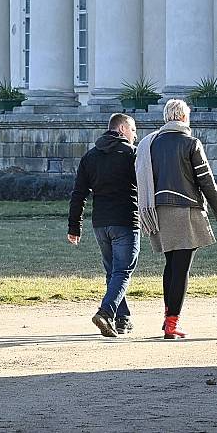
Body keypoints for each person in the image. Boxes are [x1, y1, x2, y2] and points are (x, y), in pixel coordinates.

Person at [136, 99, 217, 339]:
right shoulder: (191, 143)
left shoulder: (149, 143)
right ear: (182, 117)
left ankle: (167, 319)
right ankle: (172, 324)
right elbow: (206, 181)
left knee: (171, 266)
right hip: (184, 210)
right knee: (181, 270)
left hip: (157, 210)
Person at [68, 113, 139, 338]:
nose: (135, 136)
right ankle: (106, 312)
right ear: (121, 130)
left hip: (100, 223)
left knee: (113, 272)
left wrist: (74, 227)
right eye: (133, 130)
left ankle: (123, 319)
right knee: (123, 271)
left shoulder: (90, 156)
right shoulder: (131, 155)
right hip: (126, 220)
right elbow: (145, 186)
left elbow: (79, 194)